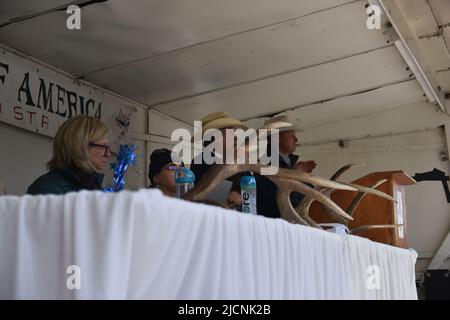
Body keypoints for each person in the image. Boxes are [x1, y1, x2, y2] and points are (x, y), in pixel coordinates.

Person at [27, 116, 110, 195]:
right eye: (104, 147)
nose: (108, 154)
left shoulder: (93, 186)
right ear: (81, 146)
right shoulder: (46, 190)